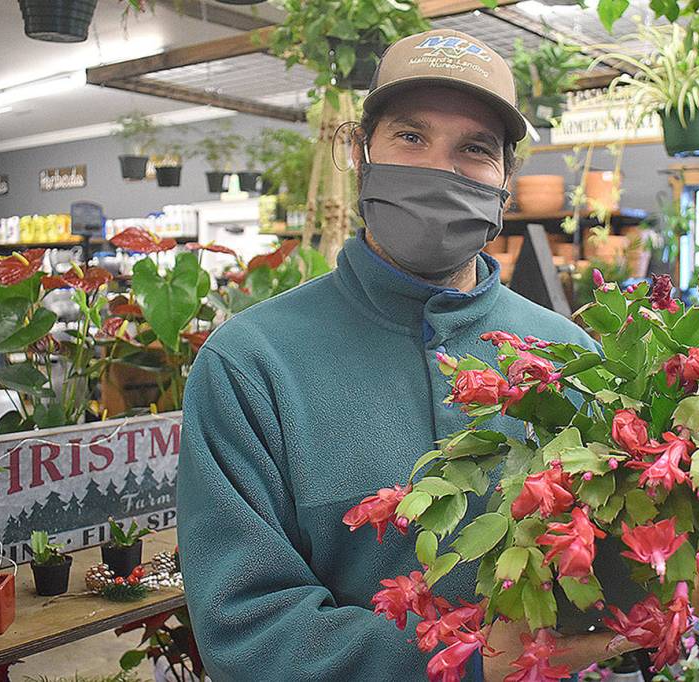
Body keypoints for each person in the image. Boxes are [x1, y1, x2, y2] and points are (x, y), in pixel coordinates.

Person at [177, 28, 633, 681]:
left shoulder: (569, 354)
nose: (438, 170)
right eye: (411, 137)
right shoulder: (251, 366)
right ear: (363, 154)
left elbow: (611, 564)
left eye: (474, 149)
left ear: (506, 180)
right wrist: (469, 663)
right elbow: (248, 629)